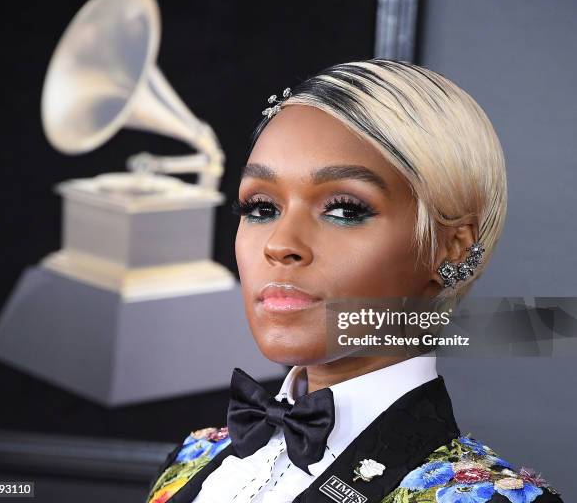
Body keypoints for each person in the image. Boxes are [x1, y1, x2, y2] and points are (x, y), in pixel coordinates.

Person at [145, 59, 563, 503]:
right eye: (261, 207)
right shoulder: (193, 457)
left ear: (451, 248)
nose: (280, 244)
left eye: (345, 209)